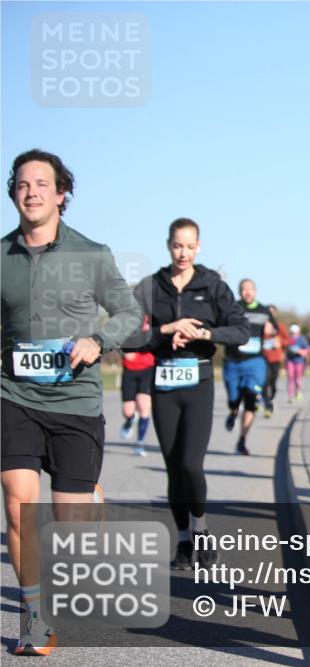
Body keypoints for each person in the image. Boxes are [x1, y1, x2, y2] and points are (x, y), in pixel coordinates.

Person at [2, 149, 143, 655]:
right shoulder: (1, 256)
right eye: (22, 184)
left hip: (74, 401)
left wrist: (98, 341)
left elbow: (130, 314)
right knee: (18, 506)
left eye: (42, 184)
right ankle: (36, 620)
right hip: (13, 394)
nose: (32, 192)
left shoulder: (91, 254)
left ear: (62, 194)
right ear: (13, 193)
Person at [132, 218, 249, 569]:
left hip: (198, 383)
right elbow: (127, 338)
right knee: (173, 469)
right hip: (164, 384)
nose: (183, 253)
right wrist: (166, 329)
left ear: (198, 247)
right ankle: (183, 542)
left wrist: (204, 334)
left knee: (190, 465)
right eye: (177, 246)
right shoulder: (150, 286)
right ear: (168, 245)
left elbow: (241, 331)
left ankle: (201, 531)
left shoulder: (212, 285)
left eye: (189, 246)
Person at [222, 278, 276, 455]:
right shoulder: (233, 308)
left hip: (255, 361)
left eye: (250, 289)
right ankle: (233, 411)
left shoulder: (264, 311)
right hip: (233, 361)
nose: (248, 293)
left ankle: (242, 441)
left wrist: (271, 330)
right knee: (234, 399)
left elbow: (275, 330)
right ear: (240, 292)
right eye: (244, 289)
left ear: (255, 291)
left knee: (251, 398)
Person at [120, 309, 155, 457]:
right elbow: (120, 341)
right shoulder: (126, 320)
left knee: (144, 406)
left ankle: (140, 443)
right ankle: (130, 420)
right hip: (130, 370)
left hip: (148, 368)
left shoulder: (152, 320)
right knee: (128, 411)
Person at [261, 308, 285, 416]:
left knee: (273, 382)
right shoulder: (261, 326)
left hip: (275, 358)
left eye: (272, 312)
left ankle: (272, 398)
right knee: (265, 381)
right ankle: (267, 403)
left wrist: (280, 343)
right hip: (263, 358)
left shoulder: (280, 326)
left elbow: (287, 340)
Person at [285, 323, 308, 402]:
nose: (293, 335)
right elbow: (286, 347)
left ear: (298, 333)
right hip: (290, 360)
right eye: (292, 333)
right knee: (290, 377)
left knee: (297, 379)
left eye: (295, 333)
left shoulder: (301, 339)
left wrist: (301, 351)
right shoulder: (288, 339)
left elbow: (306, 349)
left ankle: (298, 391)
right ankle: (290, 395)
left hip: (299, 361)